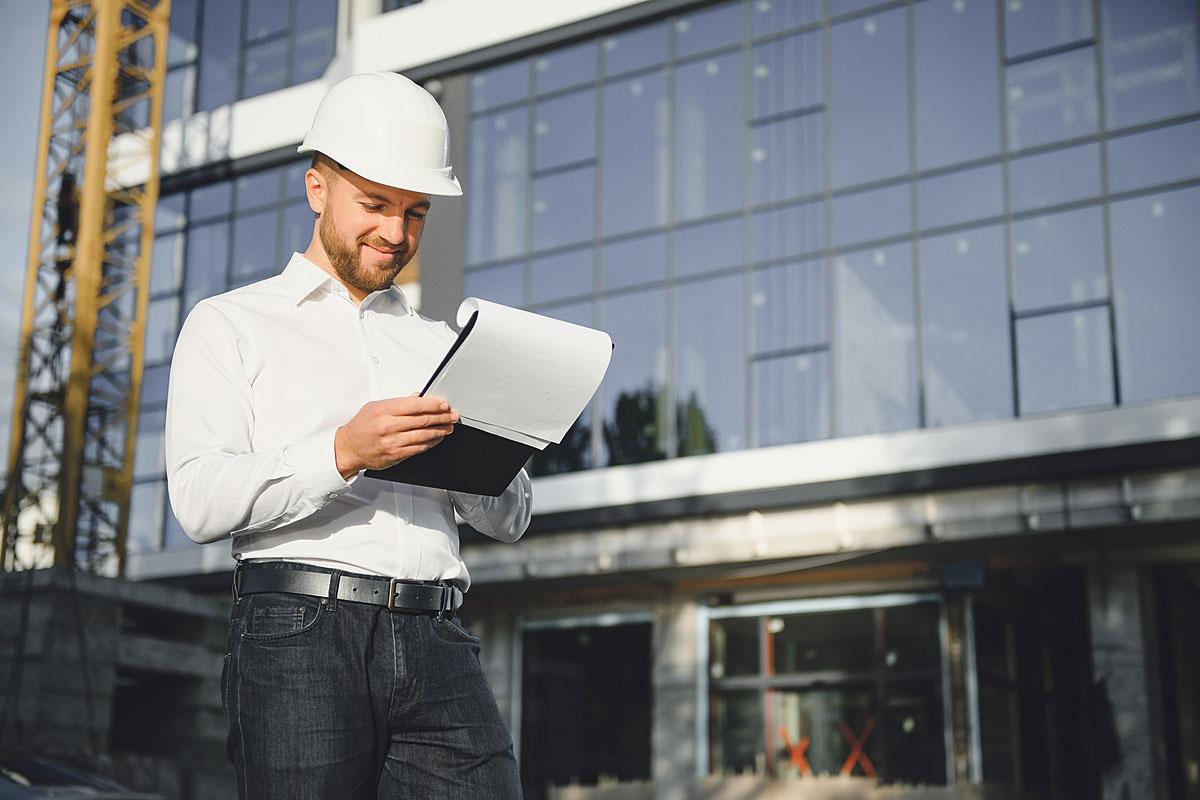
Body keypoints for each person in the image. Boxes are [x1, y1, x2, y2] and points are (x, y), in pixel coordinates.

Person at [165, 71, 531, 800]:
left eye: (415, 212)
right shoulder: (230, 323)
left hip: (439, 638)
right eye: (375, 205)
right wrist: (346, 452)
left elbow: (513, 517)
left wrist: (474, 457)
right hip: (298, 636)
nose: (395, 234)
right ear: (316, 189)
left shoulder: (442, 345)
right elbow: (200, 501)